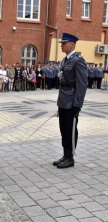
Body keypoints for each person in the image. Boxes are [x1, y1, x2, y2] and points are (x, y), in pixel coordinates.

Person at [53, 33, 88, 169]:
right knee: (63, 129)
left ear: (72, 45)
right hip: (63, 101)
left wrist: (77, 105)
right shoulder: (65, 60)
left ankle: (70, 157)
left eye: (64, 43)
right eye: (62, 43)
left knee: (71, 130)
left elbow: (82, 84)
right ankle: (65, 154)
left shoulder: (78, 60)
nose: (61, 45)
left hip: (72, 102)